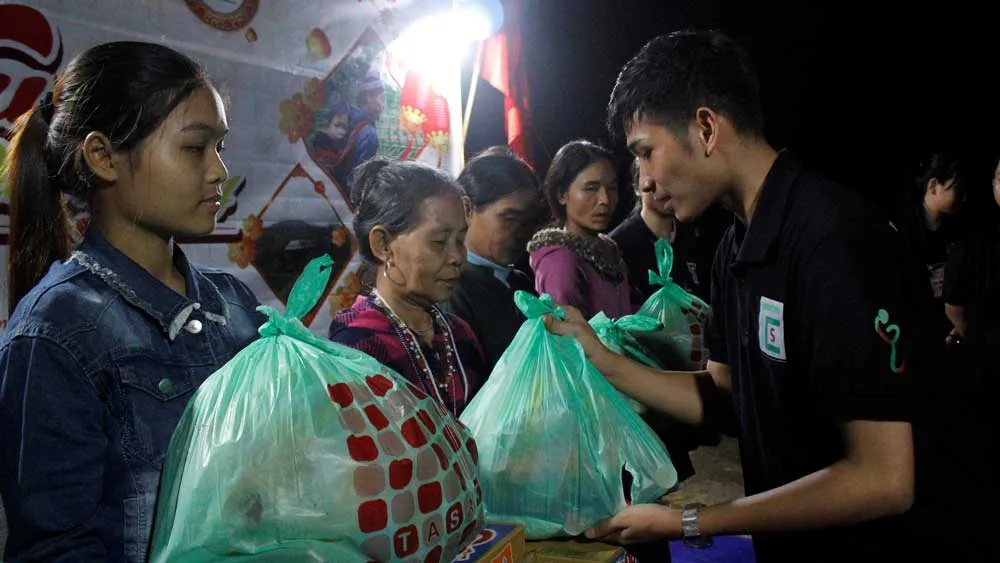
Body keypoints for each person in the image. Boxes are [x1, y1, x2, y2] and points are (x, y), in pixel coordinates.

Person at [545, 29, 942, 562]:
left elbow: (883, 478)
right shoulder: (735, 249)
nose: (644, 180)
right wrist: (602, 359)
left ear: (706, 127)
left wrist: (689, 522)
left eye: (647, 153)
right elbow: (724, 395)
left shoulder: (832, 238)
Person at [0, 42, 263, 562]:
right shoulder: (54, 334)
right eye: (194, 148)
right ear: (103, 157)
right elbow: (59, 550)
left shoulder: (235, 304)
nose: (217, 172)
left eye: (220, 148)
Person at [329, 158, 486, 417]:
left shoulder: (460, 334)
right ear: (383, 244)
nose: (458, 256)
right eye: (439, 241)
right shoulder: (356, 347)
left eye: (460, 240)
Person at [446, 146, 542, 372]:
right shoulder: (451, 286)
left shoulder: (521, 282)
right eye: (509, 218)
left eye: (529, 221)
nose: (521, 232)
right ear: (467, 209)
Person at [528, 140, 631, 320]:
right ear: (562, 194)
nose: (605, 199)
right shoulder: (560, 260)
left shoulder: (608, 250)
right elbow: (566, 336)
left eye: (612, 188)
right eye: (590, 188)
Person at [611, 158, 728, 304]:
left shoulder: (699, 240)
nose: (663, 189)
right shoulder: (618, 246)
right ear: (637, 187)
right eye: (654, 179)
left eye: (670, 179)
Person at [895, 152, 966, 341]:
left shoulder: (957, 229)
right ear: (934, 186)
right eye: (958, 189)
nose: (963, 198)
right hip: (920, 329)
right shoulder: (903, 232)